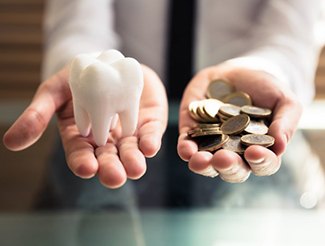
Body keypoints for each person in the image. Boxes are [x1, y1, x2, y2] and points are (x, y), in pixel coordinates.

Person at [2, 0, 323, 206]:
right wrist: (81, 68)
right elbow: (78, 21)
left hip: (263, 179)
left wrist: (266, 73)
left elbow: (292, 35)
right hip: (115, 130)